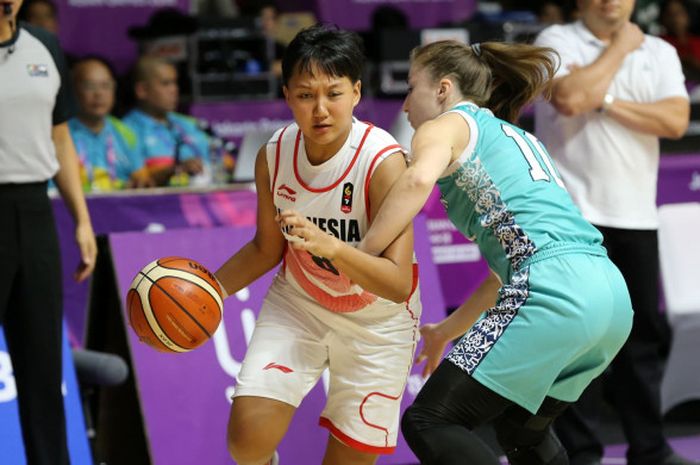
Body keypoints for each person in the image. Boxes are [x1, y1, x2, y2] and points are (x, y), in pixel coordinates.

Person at [357, 39, 635, 465]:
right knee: (522, 432)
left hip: (552, 290)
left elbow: (415, 183)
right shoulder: (516, 136)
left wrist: (363, 253)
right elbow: (505, 275)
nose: (407, 104)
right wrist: (446, 331)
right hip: (610, 296)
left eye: (412, 88)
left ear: (444, 90)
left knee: (430, 420)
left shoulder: (445, 125)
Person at [214, 24, 422, 465]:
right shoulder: (273, 154)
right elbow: (265, 251)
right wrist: (208, 294)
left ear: (357, 93)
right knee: (245, 440)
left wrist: (334, 248)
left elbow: (398, 283)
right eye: (307, 95)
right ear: (288, 95)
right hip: (301, 302)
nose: (321, 109)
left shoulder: (383, 163)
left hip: (377, 323)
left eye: (334, 93)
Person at [533, 1, 692, 464]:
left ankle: (650, 448)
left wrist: (601, 96)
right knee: (576, 343)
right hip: (571, 218)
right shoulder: (556, 41)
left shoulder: (660, 51)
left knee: (641, 340)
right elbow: (567, 99)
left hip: (637, 215)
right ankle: (580, 453)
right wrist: (620, 49)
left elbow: (675, 121)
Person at [0, 1, 97, 464]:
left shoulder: (47, 46)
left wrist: (81, 219)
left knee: (42, 366)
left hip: (36, 211)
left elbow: (59, 136)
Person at [122, 56, 210, 187]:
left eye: (175, 83)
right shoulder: (125, 130)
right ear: (142, 90)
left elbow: (223, 161)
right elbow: (136, 180)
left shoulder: (188, 123)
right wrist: (176, 169)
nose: (174, 90)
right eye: (165, 83)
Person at [69, 57, 153, 191]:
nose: (99, 94)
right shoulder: (60, 134)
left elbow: (142, 180)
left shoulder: (126, 132)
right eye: (89, 86)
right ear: (72, 91)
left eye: (106, 86)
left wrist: (138, 184)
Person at [660, 0, 700, 81]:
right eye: (670, 15)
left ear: (687, 16)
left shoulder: (697, 41)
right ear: (662, 18)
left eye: (679, 13)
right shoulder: (659, 43)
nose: (676, 19)